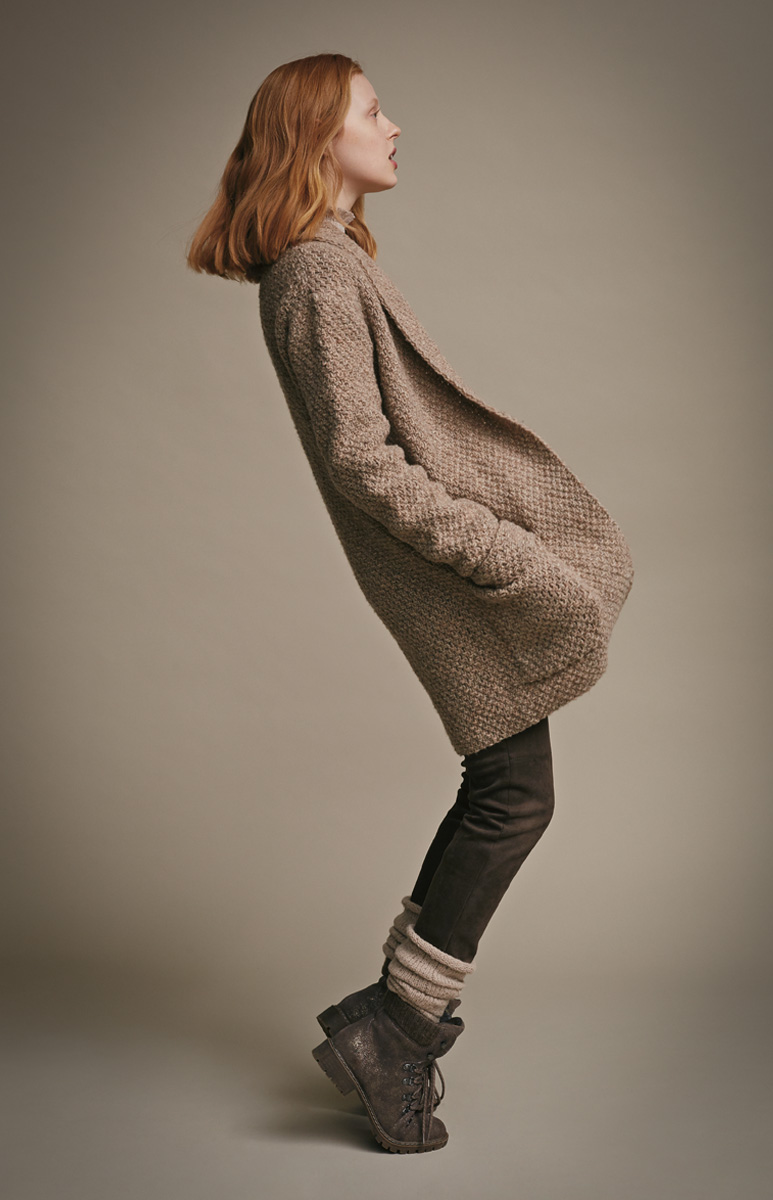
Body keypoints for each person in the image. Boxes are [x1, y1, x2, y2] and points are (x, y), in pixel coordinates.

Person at [186, 52, 634, 1155]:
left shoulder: (327, 261)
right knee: (513, 794)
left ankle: (390, 1022)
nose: (394, 127)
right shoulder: (314, 274)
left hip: (439, 569)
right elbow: (364, 461)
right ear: (316, 139)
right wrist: (500, 554)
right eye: (373, 112)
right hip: (441, 572)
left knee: (503, 785)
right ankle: (393, 1028)